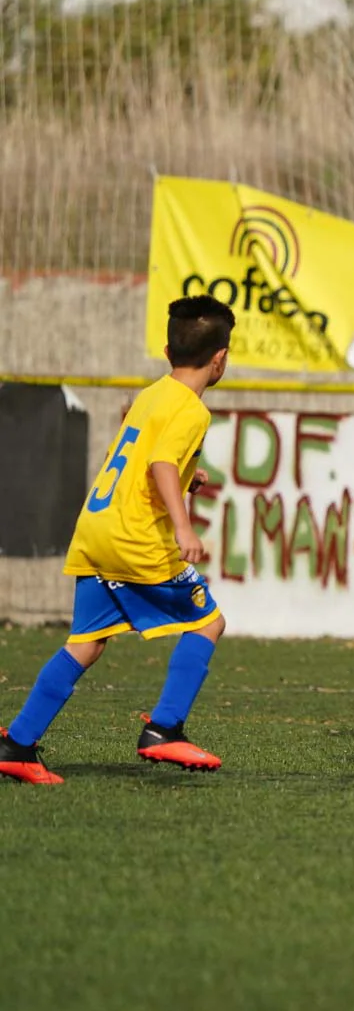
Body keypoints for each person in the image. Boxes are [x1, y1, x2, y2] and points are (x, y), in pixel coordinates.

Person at [0, 296, 235, 784]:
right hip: (135, 542)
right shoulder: (191, 410)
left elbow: (130, 458)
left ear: (168, 352)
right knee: (208, 623)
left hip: (95, 531)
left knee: (85, 644)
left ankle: (17, 744)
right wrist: (184, 523)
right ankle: (165, 730)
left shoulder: (151, 394)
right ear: (220, 359)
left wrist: (186, 478)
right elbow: (160, 463)